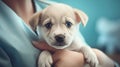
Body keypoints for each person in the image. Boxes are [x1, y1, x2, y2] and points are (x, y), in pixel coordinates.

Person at [0, 0, 117, 67]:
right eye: (49, 25)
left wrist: (98, 56)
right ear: (37, 24)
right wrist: (45, 54)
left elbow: (83, 48)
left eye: (68, 24)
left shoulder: (53, 6)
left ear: (78, 21)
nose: (59, 33)